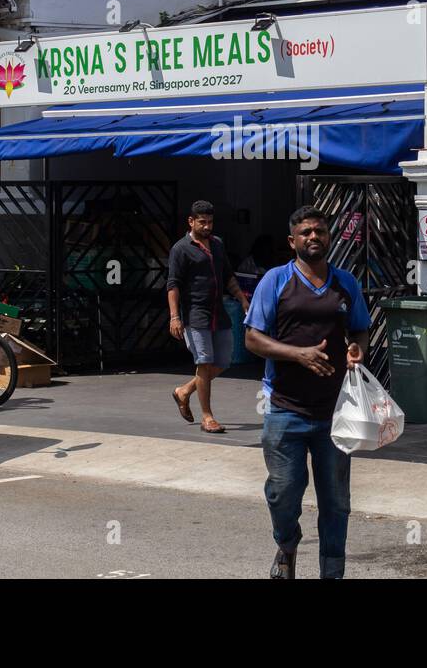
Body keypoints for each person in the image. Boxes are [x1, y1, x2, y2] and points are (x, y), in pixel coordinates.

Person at [244, 206, 369, 580]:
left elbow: (360, 329)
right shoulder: (275, 280)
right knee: (282, 493)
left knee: (336, 503)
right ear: (292, 241)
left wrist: (357, 349)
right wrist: (298, 354)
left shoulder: (345, 283)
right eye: (306, 232)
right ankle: (287, 543)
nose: (314, 237)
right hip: (285, 409)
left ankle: (332, 572)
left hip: (335, 413)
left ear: (329, 238)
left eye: (320, 231)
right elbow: (252, 338)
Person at [168, 200, 250, 433]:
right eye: (202, 222)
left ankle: (183, 391)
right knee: (204, 362)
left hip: (219, 312)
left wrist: (243, 299)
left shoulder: (217, 244)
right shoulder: (180, 249)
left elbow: (228, 276)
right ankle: (207, 417)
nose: (207, 226)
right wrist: (175, 317)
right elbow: (172, 285)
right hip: (195, 314)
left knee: (223, 362)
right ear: (191, 221)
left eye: (210, 222)